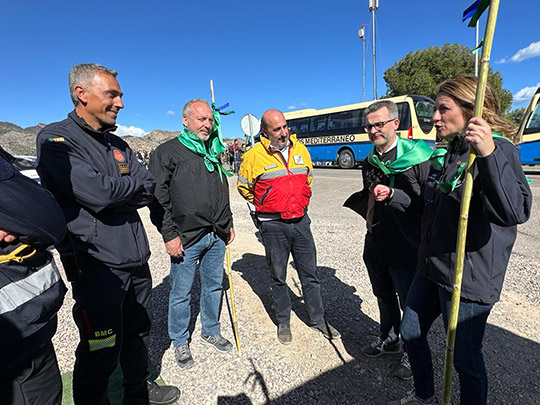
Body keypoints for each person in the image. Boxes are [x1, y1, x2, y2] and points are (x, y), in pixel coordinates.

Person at [36, 63, 180, 405]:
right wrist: (120, 192)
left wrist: (116, 192)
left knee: (137, 334)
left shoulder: (118, 144)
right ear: (81, 94)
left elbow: (149, 187)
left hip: (135, 260)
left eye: (120, 95)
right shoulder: (56, 139)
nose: (120, 103)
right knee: (100, 345)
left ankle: (137, 392)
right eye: (112, 94)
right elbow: (98, 193)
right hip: (95, 264)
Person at [388, 76, 532, 405]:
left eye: (443, 109)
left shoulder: (499, 149)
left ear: (471, 110)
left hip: (467, 280)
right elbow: (433, 204)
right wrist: (395, 195)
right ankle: (424, 394)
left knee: (466, 361)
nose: (434, 117)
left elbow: (514, 211)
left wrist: (488, 154)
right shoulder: (453, 150)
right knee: (410, 331)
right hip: (432, 268)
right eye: (435, 109)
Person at [344, 100, 432, 381]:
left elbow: (429, 205)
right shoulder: (370, 160)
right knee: (383, 295)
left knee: (411, 303)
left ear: (395, 124)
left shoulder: (419, 158)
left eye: (379, 124)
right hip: (377, 241)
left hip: (408, 245)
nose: (373, 130)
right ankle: (390, 338)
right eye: (369, 126)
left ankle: (411, 349)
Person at [237, 109, 340, 344]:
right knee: (278, 276)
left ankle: (318, 319)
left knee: (309, 274)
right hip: (273, 226)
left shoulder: (300, 149)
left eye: (285, 127)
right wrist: (267, 204)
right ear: (265, 132)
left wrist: (301, 198)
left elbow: (308, 177)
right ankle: (283, 320)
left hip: (301, 222)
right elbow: (244, 187)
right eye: (277, 129)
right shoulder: (253, 156)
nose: (283, 133)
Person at [149, 99, 235, 370]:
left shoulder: (212, 152)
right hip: (185, 238)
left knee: (213, 286)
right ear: (185, 120)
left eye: (210, 120)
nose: (207, 125)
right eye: (201, 119)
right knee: (181, 293)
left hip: (215, 235)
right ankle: (179, 341)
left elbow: (222, 190)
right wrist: (168, 234)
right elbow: (157, 197)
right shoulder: (167, 152)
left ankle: (210, 329)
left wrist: (227, 222)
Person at [0, 146, 67, 404]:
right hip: (14, 350)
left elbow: (43, 213)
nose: (119, 103)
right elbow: (41, 218)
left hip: (30, 330)